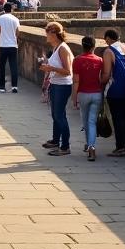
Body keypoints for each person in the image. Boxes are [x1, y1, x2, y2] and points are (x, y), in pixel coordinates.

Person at [100, 27, 125, 158]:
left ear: (108, 39)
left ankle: (120, 147)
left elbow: (106, 74)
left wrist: (100, 83)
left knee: (117, 117)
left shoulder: (108, 51)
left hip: (116, 89)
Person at [40, 22, 73, 156]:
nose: (46, 36)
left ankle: (65, 146)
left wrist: (51, 68)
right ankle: (55, 140)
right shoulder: (56, 48)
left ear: (54, 34)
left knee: (59, 115)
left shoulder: (63, 48)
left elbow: (68, 71)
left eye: (47, 33)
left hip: (63, 85)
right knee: (55, 114)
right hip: (55, 84)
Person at [72, 36, 104, 162]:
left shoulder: (77, 60)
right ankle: (91, 145)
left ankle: (89, 145)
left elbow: (76, 81)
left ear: (82, 46)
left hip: (83, 94)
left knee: (85, 122)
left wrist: (74, 98)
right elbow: (102, 78)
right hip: (96, 94)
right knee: (92, 122)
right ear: (93, 47)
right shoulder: (100, 60)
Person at [0, 2, 20, 92]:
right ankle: (14, 86)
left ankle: (1, 86)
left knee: (2, 66)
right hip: (13, 45)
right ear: (11, 9)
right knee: (14, 66)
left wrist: (2, 32)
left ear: (4, 9)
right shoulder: (15, 19)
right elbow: (17, 31)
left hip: (3, 45)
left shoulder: (1, 18)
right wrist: (14, 37)